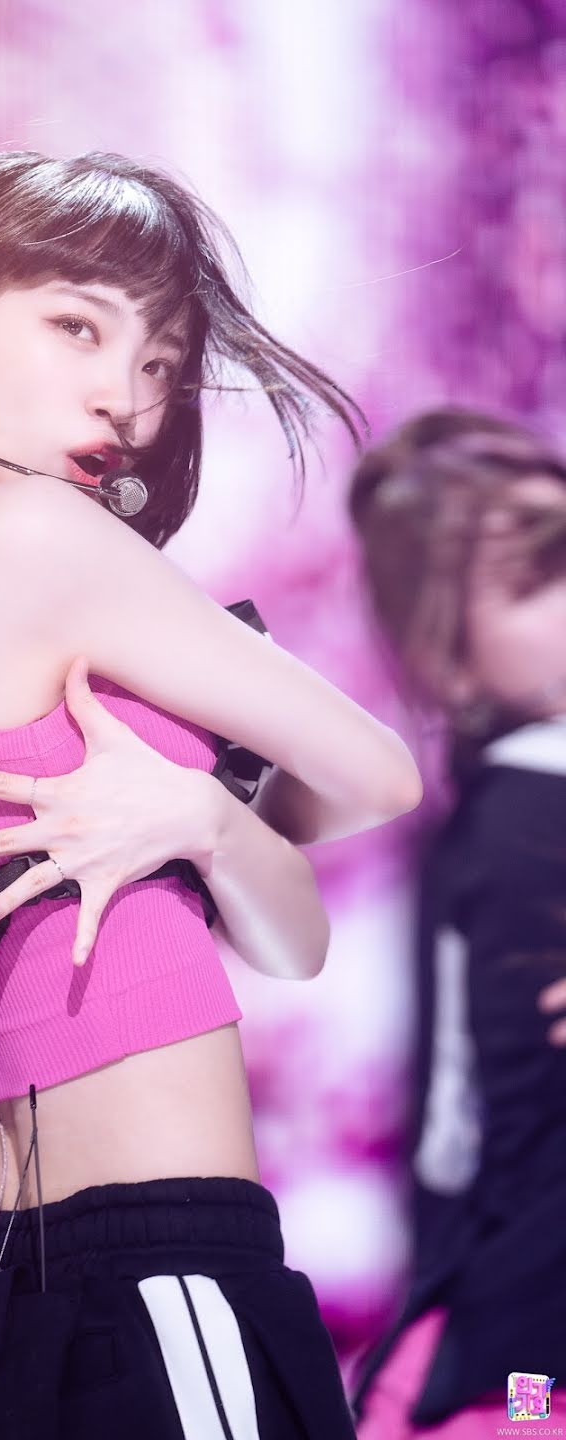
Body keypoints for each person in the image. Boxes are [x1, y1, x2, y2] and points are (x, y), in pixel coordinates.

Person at [0, 150, 422, 1439]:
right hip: (157, 1266)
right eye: (77, 326)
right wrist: (216, 822)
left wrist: (203, 821)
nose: (125, 400)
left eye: (160, 362)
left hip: (5, 1289)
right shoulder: (32, 539)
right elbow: (380, 772)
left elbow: (289, 939)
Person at [346, 408, 566, 1436]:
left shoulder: (493, 816)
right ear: (448, 662)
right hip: (527, 1376)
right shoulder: (526, 820)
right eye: (542, 573)